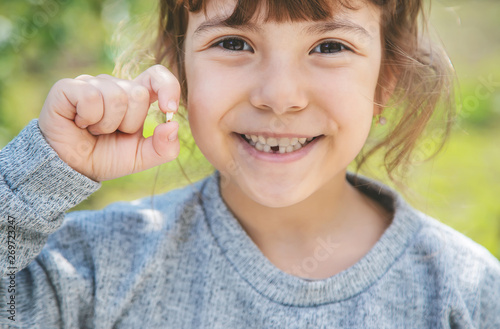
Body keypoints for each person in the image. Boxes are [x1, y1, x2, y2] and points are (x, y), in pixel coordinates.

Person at [1, 0, 499, 327]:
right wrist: (37, 179)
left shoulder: (466, 292)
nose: (279, 96)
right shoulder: (96, 267)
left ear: (384, 80)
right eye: (234, 43)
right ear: (179, 70)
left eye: (329, 46)